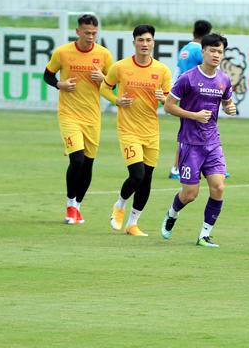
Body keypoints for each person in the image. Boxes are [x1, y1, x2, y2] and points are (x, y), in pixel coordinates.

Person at [160, 33, 236, 247]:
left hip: (212, 143)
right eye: (212, 50)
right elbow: (168, 106)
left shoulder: (224, 79)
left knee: (218, 187)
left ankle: (204, 235)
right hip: (190, 143)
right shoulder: (188, 78)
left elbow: (228, 103)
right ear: (202, 51)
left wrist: (230, 108)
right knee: (190, 193)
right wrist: (194, 115)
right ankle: (172, 213)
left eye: (220, 51)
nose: (216, 55)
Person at [100, 24, 172, 237]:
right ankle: (119, 205)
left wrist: (164, 99)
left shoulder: (162, 70)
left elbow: (170, 101)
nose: (144, 44)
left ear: (153, 43)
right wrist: (117, 100)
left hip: (151, 131)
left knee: (147, 178)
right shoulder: (120, 67)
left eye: (148, 40)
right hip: (128, 129)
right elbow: (104, 87)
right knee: (137, 174)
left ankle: (133, 224)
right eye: (140, 40)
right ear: (134, 43)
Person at [43, 13, 113, 225]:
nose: (91, 36)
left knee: (88, 164)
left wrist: (104, 79)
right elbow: (47, 75)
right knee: (77, 159)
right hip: (68, 114)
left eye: (94, 33)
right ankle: (70, 204)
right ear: (77, 31)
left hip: (92, 116)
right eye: (86, 32)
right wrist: (59, 85)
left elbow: (113, 83)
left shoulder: (104, 55)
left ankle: (78, 206)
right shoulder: (63, 52)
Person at [169, 20, 212, 179]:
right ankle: (176, 168)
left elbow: (178, 70)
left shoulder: (185, 49)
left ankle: (202, 166)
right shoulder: (199, 51)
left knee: (193, 131)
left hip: (185, 93)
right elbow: (208, 70)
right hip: (196, 94)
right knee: (192, 132)